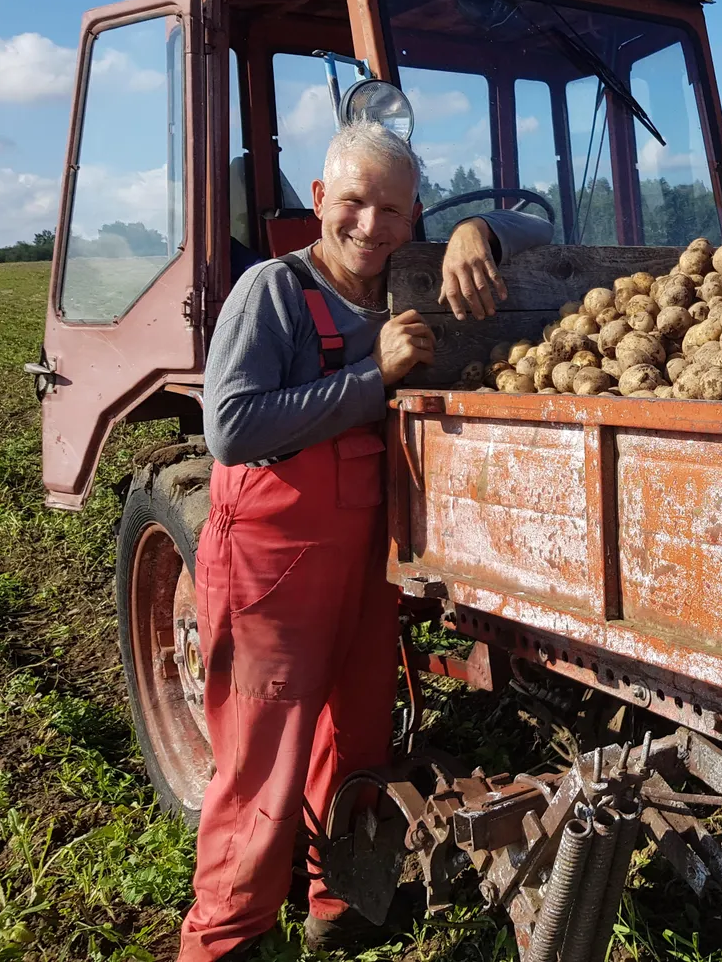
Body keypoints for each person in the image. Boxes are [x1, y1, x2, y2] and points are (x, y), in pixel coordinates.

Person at [178, 120, 551, 961]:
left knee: (356, 738)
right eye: (353, 202)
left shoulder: (410, 280)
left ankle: (338, 902)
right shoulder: (273, 293)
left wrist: (478, 230)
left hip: (364, 560)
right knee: (262, 761)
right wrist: (370, 377)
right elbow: (230, 428)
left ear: (414, 212)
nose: (371, 226)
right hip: (271, 563)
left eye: (393, 208)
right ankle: (225, 939)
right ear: (319, 200)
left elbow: (546, 230)